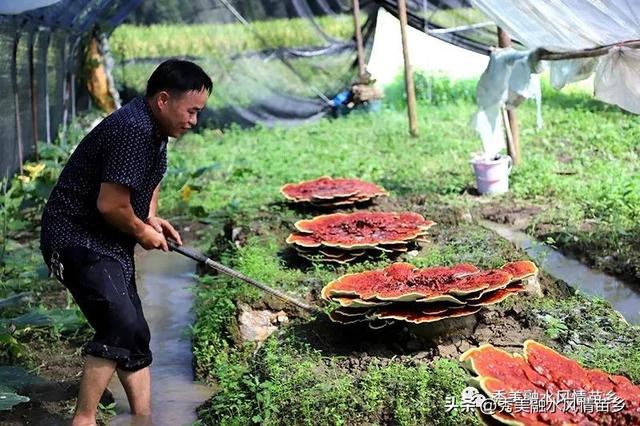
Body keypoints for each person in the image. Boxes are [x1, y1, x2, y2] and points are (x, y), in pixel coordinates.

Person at [40, 59, 212, 426]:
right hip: (75, 236)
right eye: (192, 111)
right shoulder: (134, 129)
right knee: (120, 321)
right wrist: (141, 231)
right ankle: (83, 420)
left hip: (106, 239)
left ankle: (142, 417)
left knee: (133, 328)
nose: (194, 121)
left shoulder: (154, 129)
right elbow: (111, 205)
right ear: (164, 100)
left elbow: (146, 181)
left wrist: (150, 216)